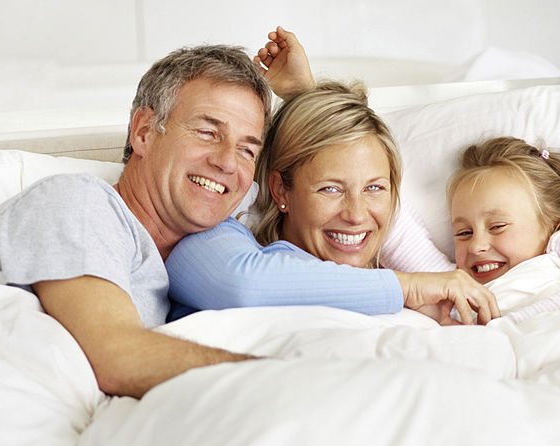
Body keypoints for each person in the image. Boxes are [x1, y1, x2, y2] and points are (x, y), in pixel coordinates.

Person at [0, 40, 278, 398]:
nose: (226, 162)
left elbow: (310, 188)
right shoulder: (79, 202)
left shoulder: (206, 244)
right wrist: (289, 379)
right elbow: (118, 358)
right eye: (208, 133)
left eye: (247, 149)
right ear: (144, 131)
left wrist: (302, 93)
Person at [165, 81, 500, 326]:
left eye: (374, 188)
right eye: (330, 190)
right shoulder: (218, 237)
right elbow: (242, 284)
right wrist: (407, 287)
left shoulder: (413, 293)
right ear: (281, 191)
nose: (356, 215)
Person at [444, 136, 560, 322]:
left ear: (553, 224)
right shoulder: (455, 284)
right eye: (464, 233)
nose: (476, 246)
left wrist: (512, 322)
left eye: (497, 227)